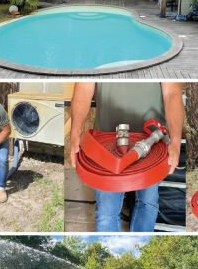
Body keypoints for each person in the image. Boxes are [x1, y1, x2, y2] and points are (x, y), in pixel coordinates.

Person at [70, 83, 183, 232]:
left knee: (148, 204)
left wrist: (175, 140)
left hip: (152, 141)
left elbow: (172, 92)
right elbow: (84, 88)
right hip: (107, 143)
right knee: (106, 212)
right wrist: (75, 133)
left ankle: (141, 251)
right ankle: (109, 254)